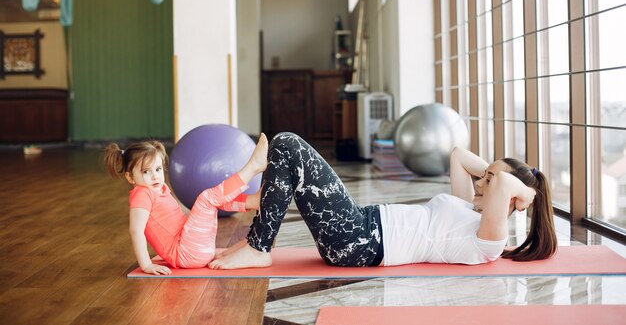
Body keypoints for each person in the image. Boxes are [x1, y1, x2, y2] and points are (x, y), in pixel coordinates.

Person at [209, 132, 557, 270]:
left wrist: (526, 191)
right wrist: (498, 174)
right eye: (485, 175)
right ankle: (262, 216)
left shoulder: (491, 240)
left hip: (361, 241)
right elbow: (458, 155)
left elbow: (502, 187)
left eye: (490, 180)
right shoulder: (469, 207)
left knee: (287, 144)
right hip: (360, 226)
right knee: (288, 152)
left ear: (512, 198)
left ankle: (259, 242)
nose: (481, 181)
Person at [103, 134, 269, 275]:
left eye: (158, 169)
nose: (154, 176)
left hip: (191, 248)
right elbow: (136, 230)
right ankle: (253, 167)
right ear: (130, 177)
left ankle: (252, 201)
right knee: (207, 198)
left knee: (214, 200)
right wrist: (146, 264)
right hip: (184, 253)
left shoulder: (159, 188)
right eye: (146, 172)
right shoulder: (142, 194)